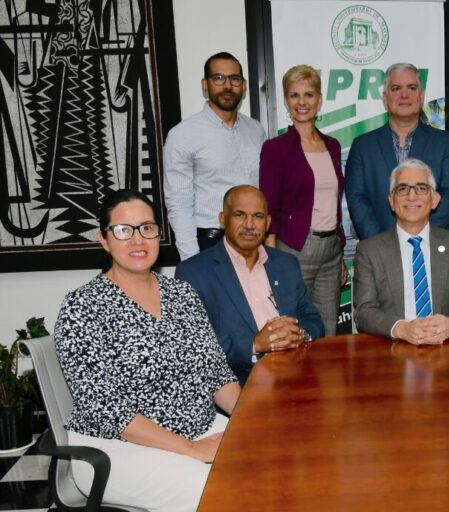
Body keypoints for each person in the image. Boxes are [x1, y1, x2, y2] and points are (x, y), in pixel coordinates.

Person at [55, 190, 240, 511]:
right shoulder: (83, 306)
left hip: (198, 427)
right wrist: (189, 449)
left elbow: (217, 375)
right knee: (217, 495)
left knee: (270, 462)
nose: (137, 240)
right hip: (116, 446)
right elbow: (107, 410)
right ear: (104, 239)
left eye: (147, 228)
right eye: (124, 230)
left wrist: (251, 423)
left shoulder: (182, 294)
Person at [175, 185, 324, 385]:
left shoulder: (286, 264)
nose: (249, 224)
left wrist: (299, 335)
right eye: (239, 215)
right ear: (222, 219)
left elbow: (313, 319)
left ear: (268, 222)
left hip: (296, 374)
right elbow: (193, 347)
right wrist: (254, 345)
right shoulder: (194, 273)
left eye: (258, 216)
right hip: (238, 385)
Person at [353, 158, 449, 344]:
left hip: (445, 347)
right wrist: (402, 329)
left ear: (435, 200)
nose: (411, 196)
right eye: (402, 188)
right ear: (391, 201)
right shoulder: (369, 250)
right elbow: (363, 312)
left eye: (421, 188)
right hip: (391, 350)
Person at [259, 65, 345, 336]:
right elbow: (269, 206)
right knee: (293, 326)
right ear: (286, 100)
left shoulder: (332, 145)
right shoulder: (276, 148)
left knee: (328, 329)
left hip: (331, 249)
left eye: (308, 95)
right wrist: (271, 258)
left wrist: (340, 251)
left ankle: (326, 380)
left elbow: (334, 201)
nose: (302, 102)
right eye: (294, 95)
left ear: (319, 99)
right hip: (294, 249)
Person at [164, 51, 267, 260]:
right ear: (205, 84)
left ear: (244, 85)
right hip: (209, 244)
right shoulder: (183, 135)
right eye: (218, 78)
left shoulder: (256, 130)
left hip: (253, 241)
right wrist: (192, 260)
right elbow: (178, 203)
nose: (227, 86)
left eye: (234, 79)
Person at [345, 62, 449, 240]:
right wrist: (383, 245)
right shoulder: (362, 147)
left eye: (411, 88)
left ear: (421, 96)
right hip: (379, 252)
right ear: (385, 98)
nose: (404, 95)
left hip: (432, 249)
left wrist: (419, 238)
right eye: (396, 88)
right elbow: (357, 200)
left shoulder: (445, 143)